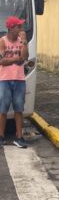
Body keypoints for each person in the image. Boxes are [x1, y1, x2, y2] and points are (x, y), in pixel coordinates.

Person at [0, 16, 29, 148]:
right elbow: (1, 61)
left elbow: (24, 57)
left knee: (19, 109)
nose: (21, 29)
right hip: (4, 79)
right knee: (3, 109)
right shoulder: (3, 41)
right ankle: (1, 136)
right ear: (11, 28)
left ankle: (19, 136)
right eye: (18, 26)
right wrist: (15, 59)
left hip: (19, 79)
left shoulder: (21, 41)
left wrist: (24, 42)